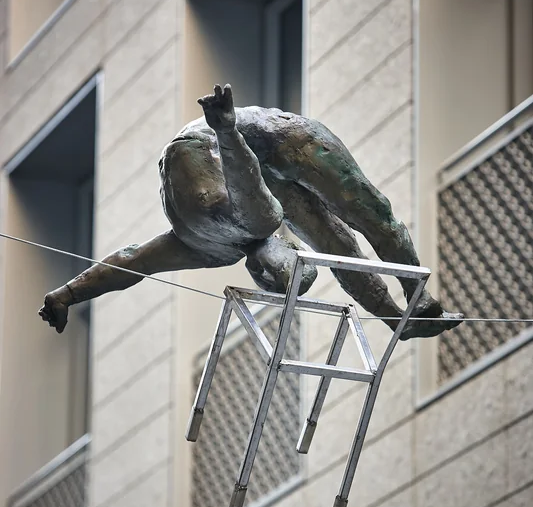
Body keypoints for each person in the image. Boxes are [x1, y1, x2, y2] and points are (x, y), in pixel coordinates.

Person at [40, 84, 463, 340]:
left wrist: (225, 128)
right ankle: (397, 318)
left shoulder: (243, 229)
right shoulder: (210, 249)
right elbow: (132, 261)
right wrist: (67, 296)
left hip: (274, 140)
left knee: (368, 210)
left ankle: (415, 295)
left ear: (278, 247)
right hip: (209, 160)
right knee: (335, 243)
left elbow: (242, 176)